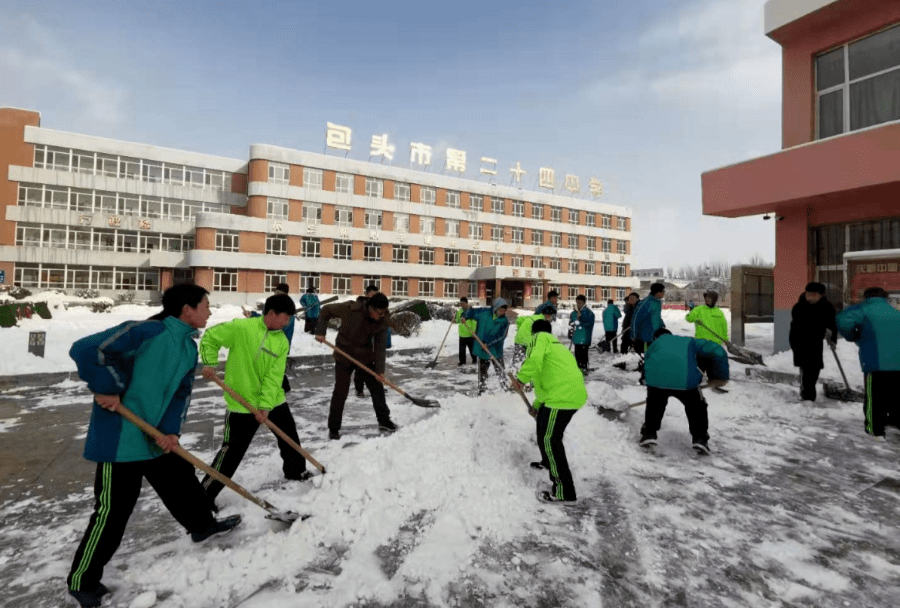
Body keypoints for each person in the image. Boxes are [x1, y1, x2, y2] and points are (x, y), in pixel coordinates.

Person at [66, 285, 240, 608]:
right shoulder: (146, 331)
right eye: (206, 305)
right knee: (112, 513)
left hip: (156, 436)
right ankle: (82, 581)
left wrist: (171, 431)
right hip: (121, 438)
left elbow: (180, 393)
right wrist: (108, 386)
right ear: (187, 310)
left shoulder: (188, 349)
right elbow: (85, 349)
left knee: (183, 481)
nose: (210, 312)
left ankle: (202, 525)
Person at [200, 294, 310, 511]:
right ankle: (204, 494)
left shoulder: (281, 341)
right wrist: (210, 362)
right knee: (231, 452)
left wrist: (265, 407)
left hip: (273, 400)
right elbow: (210, 337)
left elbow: (274, 377)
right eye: (285, 318)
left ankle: (296, 471)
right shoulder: (243, 328)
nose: (287, 323)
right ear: (271, 314)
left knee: (289, 437)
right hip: (241, 403)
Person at [510, 320, 587, 503]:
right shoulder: (555, 346)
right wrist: (537, 404)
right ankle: (547, 461)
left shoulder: (539, 338)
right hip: (563, 395)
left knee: (550, 439)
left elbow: (533, 362)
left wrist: (520, 379)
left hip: (561, 399)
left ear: (533, 332)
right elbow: (546, 379)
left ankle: (564, 491)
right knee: (542, 425)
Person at [315, 292, 396, 440]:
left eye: (384, 313)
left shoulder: (383, 320)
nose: (382, 316)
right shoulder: (351, 308)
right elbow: (326, 309)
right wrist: (320, 331)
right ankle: (334, 428)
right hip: (343, 354)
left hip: (364, 356)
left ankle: (384, 420)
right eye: (379, 313)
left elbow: (380, 347)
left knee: (377, 387)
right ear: (371, 309)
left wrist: (380, 371)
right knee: (341, 391)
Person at [639, 329, 730, 454]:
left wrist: (647, 382)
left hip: (657, 382)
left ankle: (648, 433)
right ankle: (700, 438)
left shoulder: (653, 345)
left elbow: (646, 367)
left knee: (654, 404)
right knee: (696, 407)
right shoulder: (690, 341)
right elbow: (717, 350)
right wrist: (719, 377)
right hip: (686, 381)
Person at [836, 287, 900, 440]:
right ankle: (895, 421)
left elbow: (842, 320)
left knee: (874, 397)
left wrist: (853, 335)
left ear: (866, 297)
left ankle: (875, 429)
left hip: (876, 362)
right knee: (896, 395)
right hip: (898, 362)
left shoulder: (865, 308)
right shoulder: (894, 311)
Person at [788, 282, 837, 404]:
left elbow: (832, 324)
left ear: (821, 295)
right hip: (800, 341)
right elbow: (797, 326)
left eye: (814, 295)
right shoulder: (799, 307)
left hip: (816, 343)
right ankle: (807, 397)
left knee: (814, 369)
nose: (810, 297)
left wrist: (832, 338)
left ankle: (807, 393)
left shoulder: (827, 307)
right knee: (806, 369)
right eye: (808, 294)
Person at [245, 283, 296, 393]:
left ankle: (280, 390)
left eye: (278, 293)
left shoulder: (284, 306)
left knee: (273, 369)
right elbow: (267, 320)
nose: (276, 295)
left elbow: (271, 322)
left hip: (276, 342)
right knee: (274, 369)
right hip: (276, 342)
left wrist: (253, 315)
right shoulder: (284, 304)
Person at [465, 297, 511, 395]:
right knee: (482, 373)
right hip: (483, 351)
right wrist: (464, 316)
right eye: (500, 310)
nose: (502, 312)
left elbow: (501, 337)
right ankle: (482, 391)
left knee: (500, 371)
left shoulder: (505, 322)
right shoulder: (484, 312)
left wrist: (488, 344)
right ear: (495, 308)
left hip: (495, 351)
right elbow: (472, 313)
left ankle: (506, 389)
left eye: (504, 310)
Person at [352, 284, 381, 396]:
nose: (373, 297)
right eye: (371, 294)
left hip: (373, 341)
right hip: (361, 341)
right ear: (366, 294)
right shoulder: (360, 305)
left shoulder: (377, 305)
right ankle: (359, 389)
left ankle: (377, 387)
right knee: (361, 366)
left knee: (375, 366)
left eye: (375, 294)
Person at [570, 295, 596, 373]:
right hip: (577, 338)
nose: (578, 304)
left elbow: (588, 323)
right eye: (577, 302)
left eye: (580, 302)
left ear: (584, 302)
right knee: (577, 355)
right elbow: (571, 322)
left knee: (583, 356)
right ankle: (579, 369)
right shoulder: (574, 312)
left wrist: (580, 319)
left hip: (584, 338)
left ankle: (584, 369)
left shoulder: (588, 312)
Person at [455, 296, 477, 365]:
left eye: (463, 303)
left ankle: (474, 359)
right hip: (462, 334)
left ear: (467, 303)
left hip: (470, 334)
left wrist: (473, 331)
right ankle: (462, 361)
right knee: (461, 350)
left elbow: (474, 322)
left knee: (472, 349)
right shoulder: (459, 311)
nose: (462, 305)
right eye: (461, 303)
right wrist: (455, 319)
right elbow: (458, 321)